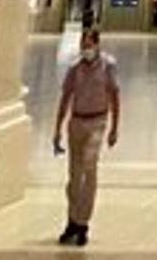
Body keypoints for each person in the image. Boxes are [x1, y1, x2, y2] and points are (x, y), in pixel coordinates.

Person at [51, 27, 121, 248]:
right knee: (74, 175)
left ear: (97, 45)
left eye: (89, 45)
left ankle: (83, 223)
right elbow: (65, 97)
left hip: (97, 122)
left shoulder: (108, 66)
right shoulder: (74, 68)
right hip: (77, 122)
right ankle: (72, 220)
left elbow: (115, 96)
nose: (86, 49)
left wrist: (114, 128)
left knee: (89, 168)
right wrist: (57, 128)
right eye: (83, 45)